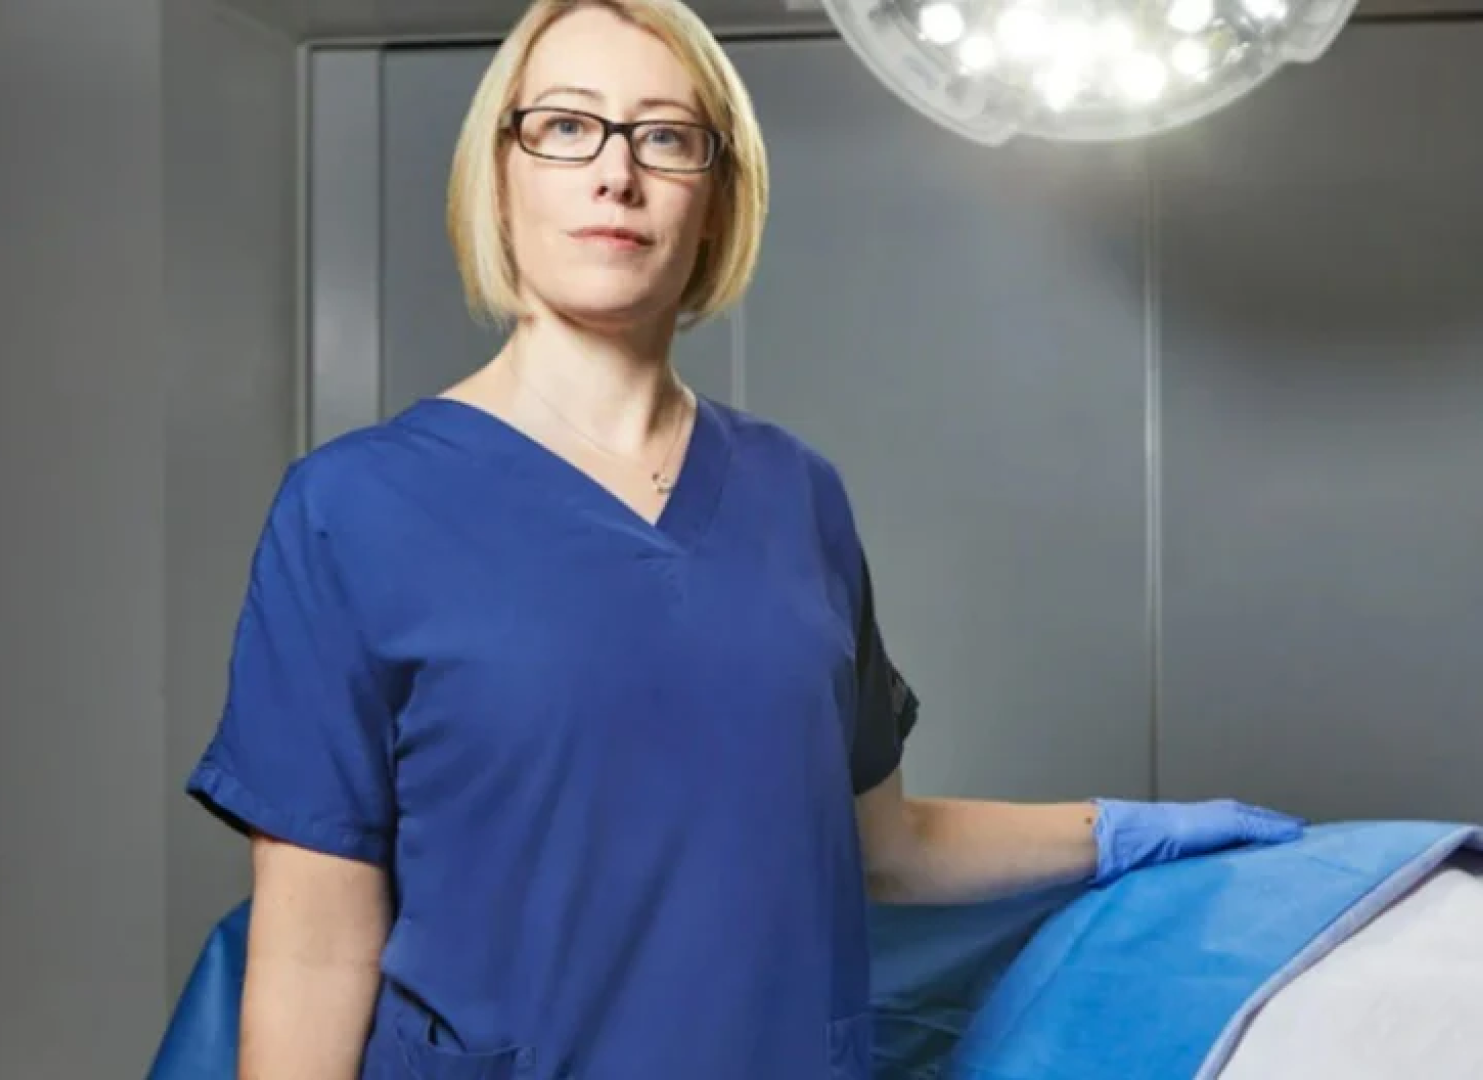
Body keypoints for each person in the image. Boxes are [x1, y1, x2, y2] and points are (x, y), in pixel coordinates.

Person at [184, 1, 1305, 1077]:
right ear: (499, 173)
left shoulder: (791, 493)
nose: (615, 172)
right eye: (567, 126)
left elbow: (885, 845)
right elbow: (313, 946)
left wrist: (1125, 832)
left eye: (665, 137)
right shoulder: (354, 509)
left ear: (717, 199)